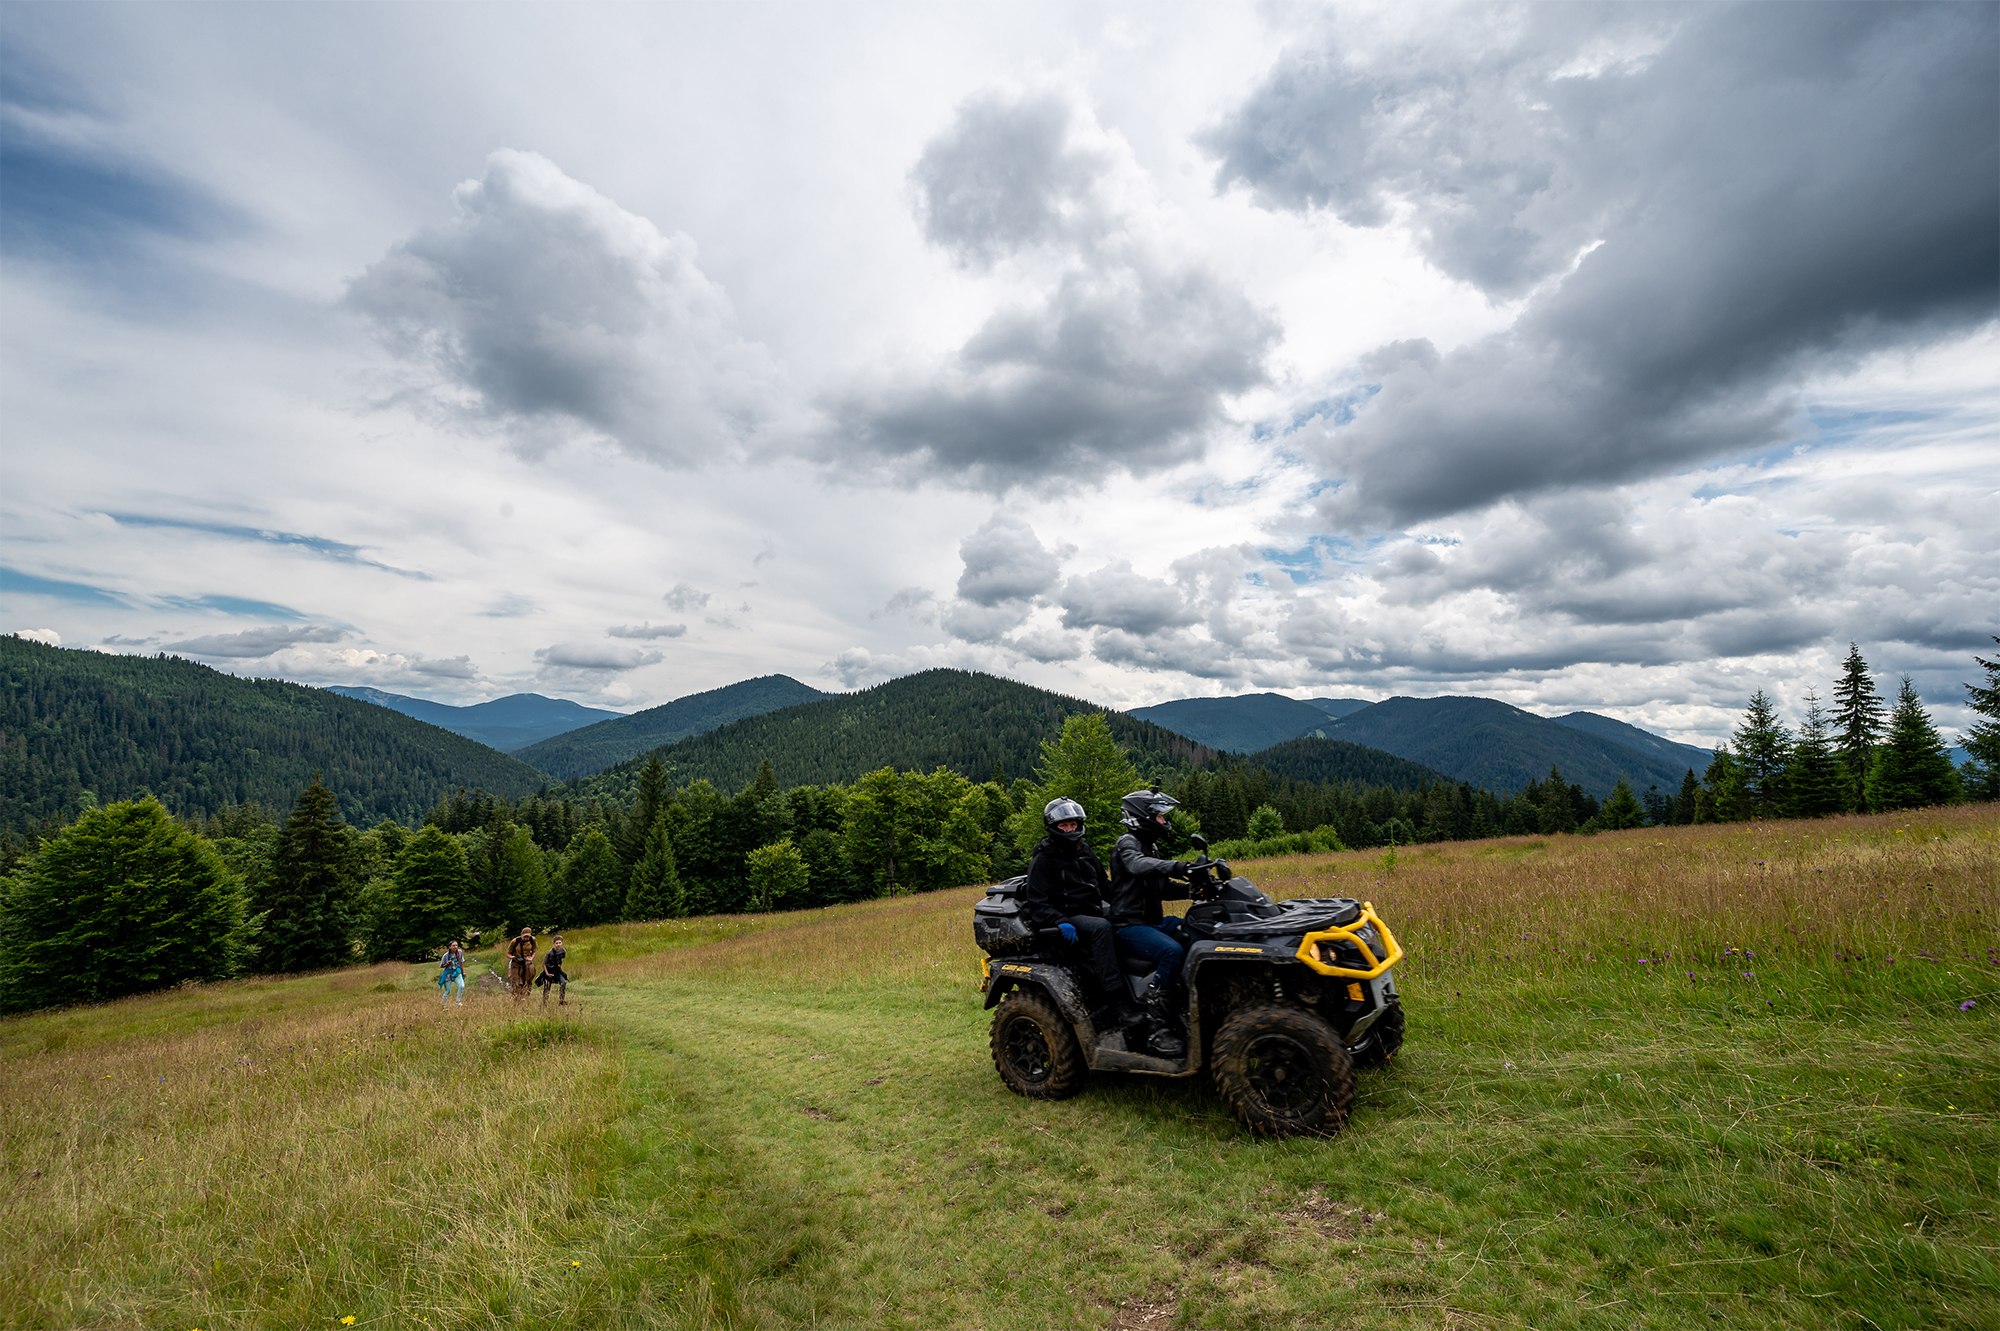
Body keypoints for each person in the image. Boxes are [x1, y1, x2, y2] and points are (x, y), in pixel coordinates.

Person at [1020, 797, 1153, 1045]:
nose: (1070, 829)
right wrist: (1059, 920)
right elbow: (1037, 901)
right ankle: (1117, 1002)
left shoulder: (1085, 851)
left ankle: (1142, 984)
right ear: (1053, 827)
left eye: (1073, 824)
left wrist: (1129, 902)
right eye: (1064, 826)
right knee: (1101, 928)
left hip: (1092, 910)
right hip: (1068, 916)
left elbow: (1103, 885)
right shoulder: (1044, 857)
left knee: (1123, 918)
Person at [1109, 789, 1196, 1050]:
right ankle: (1156, 1025)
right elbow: (1137, 865)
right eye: (1159, 816)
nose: (1164, 821)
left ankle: (1186, 1006)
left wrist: (1193, 890)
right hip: (1129, 925)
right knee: (1171, 951)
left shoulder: (1151, 846)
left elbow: (1162, 887)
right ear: (1142, 817)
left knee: (1193, 930)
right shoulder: (1127, 843)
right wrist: (1179, 866)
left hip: (1153, 922)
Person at [537, 934, 569, 1006]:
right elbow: (544, 964)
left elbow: (560, 960)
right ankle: (544, 1003)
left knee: (563, 982)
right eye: (556, 943)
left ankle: (561, 1000)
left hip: (557, 970)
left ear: (562, 943)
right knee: (547, 987)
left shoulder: (563, 951)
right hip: (549, 970)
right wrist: (547, 973)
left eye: (559, 943)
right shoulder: (550, 953)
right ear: (554, 943)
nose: (558, 944)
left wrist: (559, 968)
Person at [506, 927, 536, 1000]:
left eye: (528, 936)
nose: (526, 938)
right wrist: (513, 957)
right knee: (517, 982)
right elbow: (508, 954)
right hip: (516, 963)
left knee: (527, 980)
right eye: (525, 936)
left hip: (527, 963)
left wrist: (531, 958)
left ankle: (524, 997)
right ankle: (515, 997)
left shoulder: (532, 940)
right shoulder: (515, 941)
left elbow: (534, 951)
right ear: (521, 934)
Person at [437, 939, 466, 1007]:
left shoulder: (459, 952)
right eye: (453, 946)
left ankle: (458, 1002)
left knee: (461, 986)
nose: (455, 947)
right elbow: (441, 966)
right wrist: (447, 964)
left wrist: (463, 972)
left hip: (456, 972)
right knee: (448, 990)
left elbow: (461, 962)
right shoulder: (446, 955)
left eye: (456, 945)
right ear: (449, 947)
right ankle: (444, 1005)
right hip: (448, 973)